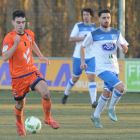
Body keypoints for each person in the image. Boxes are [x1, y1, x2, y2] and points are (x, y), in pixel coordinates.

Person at [2, 10, 59, 136]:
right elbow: (5, 57)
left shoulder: (29, 34)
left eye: (23, 22)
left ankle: (48, 119)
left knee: (46, 92)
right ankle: (19, 123)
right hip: (18, 77)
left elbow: (32, 43)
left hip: (32, 71)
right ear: (13, 23)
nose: (21, 25)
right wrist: (15, 44)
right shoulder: (9, 37)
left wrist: (41, 56)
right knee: (20, 104)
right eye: (18, 22)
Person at [80, 9, 128, 128]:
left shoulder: (116, 33)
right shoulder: (94, 34)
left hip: (114, 68)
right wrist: (82, 61)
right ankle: (111, 108)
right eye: (104, 18)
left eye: (108, 18)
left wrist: (124, 49)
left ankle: (95, 116)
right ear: (99, 19)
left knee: (106, 93)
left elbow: (123, 49)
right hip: (101, 69)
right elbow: (82, 47)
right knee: (121, 88)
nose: (107, 20)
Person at [62, 8, 97, 108]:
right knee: (75, 78)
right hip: (78, 55)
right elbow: (71, 39)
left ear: (91, 16)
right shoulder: (78, 26)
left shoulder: (94, 26)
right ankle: (66, 93)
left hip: (91, 56)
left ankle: (93, 101)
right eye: (84, 15)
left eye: (87, 14)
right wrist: (83, 38)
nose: (85, 16)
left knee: (91, 77)